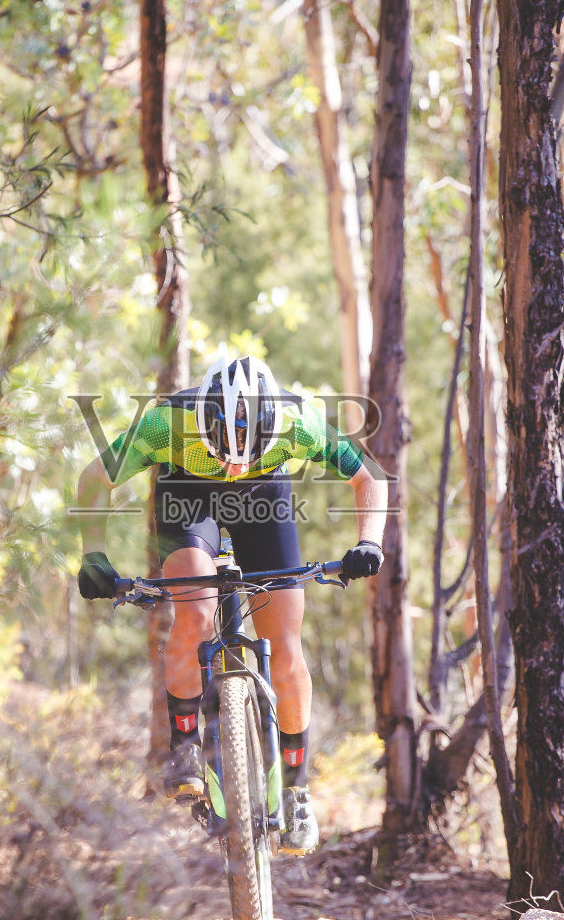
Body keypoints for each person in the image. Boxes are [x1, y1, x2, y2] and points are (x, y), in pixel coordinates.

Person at [75, 354, 387, 856]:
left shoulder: (297, 420)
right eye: (222, 450)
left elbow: (370, 477)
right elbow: (95, 480)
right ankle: (185, 747)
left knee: (284, 645)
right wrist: (93, 557)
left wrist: (369, 542)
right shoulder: (166, 423)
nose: (235, 464)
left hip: (265, 501)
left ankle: (296, 790)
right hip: (188, 499)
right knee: (194, 612)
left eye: (247, 451)